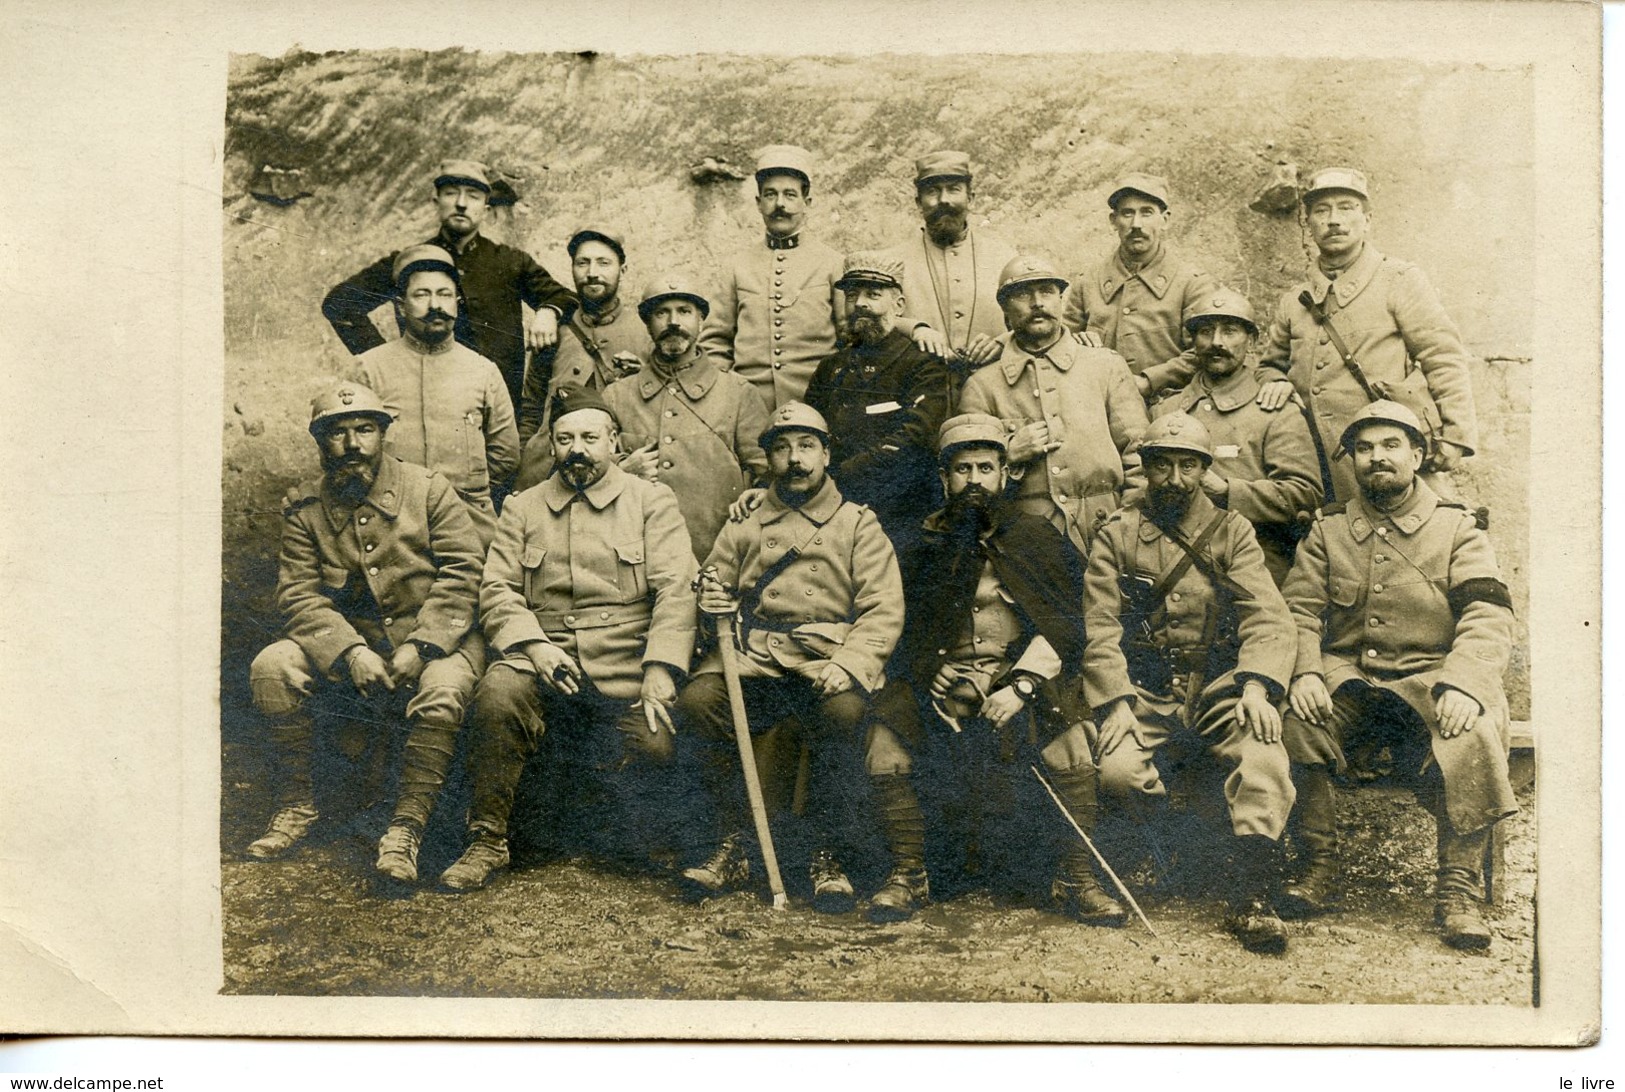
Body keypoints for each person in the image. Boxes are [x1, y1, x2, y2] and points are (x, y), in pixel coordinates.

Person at [862, 414, 1127, 925]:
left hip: (1019, 674)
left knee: (1071, 742)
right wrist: (922, 670)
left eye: (987, 467)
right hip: (940, 680)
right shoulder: (916, 543)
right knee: (885, 740)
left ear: (1006, 473)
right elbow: (891, 617)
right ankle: (908, 874)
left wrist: (1023, 684)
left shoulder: (1036, 536)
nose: (975, 479)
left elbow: (1068, 622)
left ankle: (1077, 879)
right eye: (963, 468)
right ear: (944, 478)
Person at [438, 387, 698, 892]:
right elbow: (497, 589)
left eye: (589, 438)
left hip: (626, 660)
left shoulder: (651, 502)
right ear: (552, 446)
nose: (577, 449)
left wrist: (660, 670)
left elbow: (675, 590)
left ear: (614, 443)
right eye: (565, 439)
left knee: (655, 746)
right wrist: (533, 646)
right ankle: (487, 839)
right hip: (544, 653)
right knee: (497, 694)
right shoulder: (522, 507)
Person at [1279, 401, 1516, 950]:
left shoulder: (1457, 528)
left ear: (1417, 454)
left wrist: (1465, 683)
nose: (1377, 458)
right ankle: (1318, 865)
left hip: (1431, 681)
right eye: (1364, 448)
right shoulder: (1329, 531)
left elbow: (1488, 613)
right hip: (1350, 681)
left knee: (1474, 732)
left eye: (1391, 445)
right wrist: (1307, 672)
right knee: (1294, 719)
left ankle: (1457, 889)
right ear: (1352, 461)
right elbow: (1298, 612)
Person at [245, 382, 485, 887]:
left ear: (383, 435)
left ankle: (406, 829)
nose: (353, 444)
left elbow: (465, 571)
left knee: (443, 688)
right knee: (272, 666)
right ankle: (297, 805)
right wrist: (350, 650)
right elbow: (298, 594)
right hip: (356, 644)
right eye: (338, 432)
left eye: (365, 429)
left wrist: (422, 646)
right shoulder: (305, 509)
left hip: (438, 637)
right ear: (320, 442)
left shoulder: (429, 489)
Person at [676, 402, 904, 913]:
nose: (794, 460)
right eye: (781, 448)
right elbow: (713, 580)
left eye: (806, 447)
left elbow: (883, 609)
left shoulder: (857, 525)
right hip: (754, 658)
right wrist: (710, 596)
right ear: (768, 460)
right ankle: (733, 841)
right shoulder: (747, 520)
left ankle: (828, 853)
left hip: (824, 660)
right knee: (698, 703)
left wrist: (848, 664)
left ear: (826, 454)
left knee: (843, 714)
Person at [1082, 412, 1298, 952]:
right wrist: (1114, 702)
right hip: (1145, 688)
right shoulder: (1118, 533)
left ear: (1204, 469)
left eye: (1187, 465)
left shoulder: (1233, 530)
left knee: (1265, 757)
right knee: (1117, 773)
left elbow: (1267, 615)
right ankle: (1188, 847)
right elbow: (1101, 624)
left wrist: (1256, 686)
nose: (1175, 478)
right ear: (1146, 469)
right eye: (1162, 465)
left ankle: (1252, 895)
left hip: (1221, 685)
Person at [1255, 167, 1479, 502]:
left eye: (1346, 208)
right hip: (1318, 468)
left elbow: (1443, 356)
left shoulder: (1399, 280)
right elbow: (1270, 365)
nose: (1334, 220)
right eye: (1321, 210)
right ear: (1308, 225)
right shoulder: (1294, 302)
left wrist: (1457, 434)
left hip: (1388, 457)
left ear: (1367, 219)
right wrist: (1276, 380)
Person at [321, 158, 577, 410]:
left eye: (473, 196)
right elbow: (339, 305)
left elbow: (567, 298)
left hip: (499, 403)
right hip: (427, 400)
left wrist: (548, 311)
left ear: (486, 209)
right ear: (437, 202)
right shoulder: (408, 261)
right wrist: (387, 362)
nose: (462, 204)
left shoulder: (510, 261)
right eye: (451, 193)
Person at [958, 255, 1148, 554]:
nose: (1037, 303)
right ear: (1005, 310)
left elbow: (1140, 455)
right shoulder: (981, 386)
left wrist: (1129, 528)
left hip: (1110, 529)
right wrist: (1008, 454)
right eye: (1022, 294)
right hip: (1025, 543)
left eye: (1047, 291)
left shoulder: (1105, 366)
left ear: (1061, 300)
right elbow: (968, 486)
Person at [1152, 288, 1325, 584]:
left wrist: (1229, 492)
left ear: (1252, 341)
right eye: (1206, 331)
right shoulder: (1166, 410)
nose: (1216, 341)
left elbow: (1305, 494)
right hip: (1170, 564)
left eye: (1230, 331)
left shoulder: (1274, 409)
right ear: (1193, 341)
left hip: (1254, 564)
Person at [349, 243, 519, 543]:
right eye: (421, 295)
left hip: (470, 527)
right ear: (400, 306)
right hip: (391, 526)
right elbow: (347, 450)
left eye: (444, 294)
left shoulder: (483, 371)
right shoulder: (368, 368)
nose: (435, 305)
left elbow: (504, 456)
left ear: (457, 302)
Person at [602, 276, 771, 561]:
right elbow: (588, 469)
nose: (673, 322)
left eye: (684, 311)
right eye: (661, 313)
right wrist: (621, 470)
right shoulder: (617, 396)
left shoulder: (739, 393)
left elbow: (768, 475)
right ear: (647, 323)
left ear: (701, 319)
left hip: (719, 557)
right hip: (636, 557)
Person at [802, 252, 951, 557]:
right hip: (836, 507)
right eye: (852, 294)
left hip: (905, 509)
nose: (860, 304)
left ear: (899, 305)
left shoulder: (922, 363)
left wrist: (840, 474)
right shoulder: (831, 367)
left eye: (873, 294)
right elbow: (808, 431)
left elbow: (915, 436)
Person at [700, 145, 845, 407]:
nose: (780, 204)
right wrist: (729, 396)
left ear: (807, 203)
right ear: (758, 203)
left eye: (790, 195)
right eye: (770, 195)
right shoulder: (737, 266)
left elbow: (850, 340)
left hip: (817, 405)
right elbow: (715, 343)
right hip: (749, 408)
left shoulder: (833, 264)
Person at [1061, 172, 1218, 401]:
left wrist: (1149, 381)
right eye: (1127, 213)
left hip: (1171, 406)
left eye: (1147, 213)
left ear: (1165, 220)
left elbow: (1204, 352)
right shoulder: (1087, 283)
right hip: (1098, 405)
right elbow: (1060, 343)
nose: (1136, 224)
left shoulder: (1192, 284)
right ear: (1113, 221)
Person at [879, 150, 1017, 392]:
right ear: (918, 202)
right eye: (932, 191)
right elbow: (869, 322)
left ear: (970, 198)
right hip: (917, 394)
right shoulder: (891, 263)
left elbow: (1033, 321)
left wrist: (1005, 340)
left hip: (993, 394)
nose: (944, 200)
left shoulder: (1004, 257)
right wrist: (914, 329)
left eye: (954, 189)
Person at [515, 227, 652, 462]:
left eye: (603, 263)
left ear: (623, 269)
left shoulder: (645, 332)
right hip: (552, 467)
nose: (592, 273)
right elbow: (532, 407)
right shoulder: (553, 331)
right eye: (582, 263)